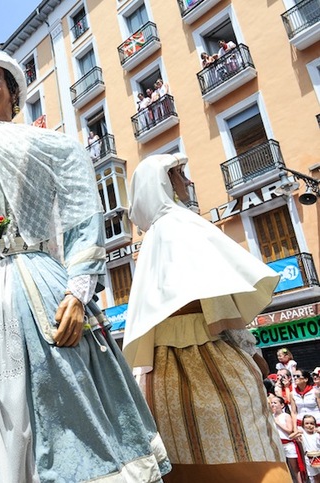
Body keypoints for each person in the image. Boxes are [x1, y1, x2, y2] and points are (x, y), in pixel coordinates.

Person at [0, 47, 169, 482]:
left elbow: (80, 217)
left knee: (60, 396)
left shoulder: (51, 145)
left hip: (37, 284)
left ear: (13, 91)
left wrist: (78, 291)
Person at [123, 153, 289, 481]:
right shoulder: (182, 223)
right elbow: (217, 301)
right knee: (252, 454)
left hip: (162, 377)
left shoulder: (153, 238)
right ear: (164, 183)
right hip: (212, 363)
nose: (187, 181)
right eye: (180, 175)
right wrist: (252, 353)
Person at [271, 395, 305, 483]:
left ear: (282, 405)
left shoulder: (286, 416)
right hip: (278, 444)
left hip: (288, 444)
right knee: (281, 467)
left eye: (275, 403)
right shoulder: (271, 416)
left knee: (294, 467)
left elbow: (289, 430)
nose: (273, 404)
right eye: (271, 403)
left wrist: (277, 423)